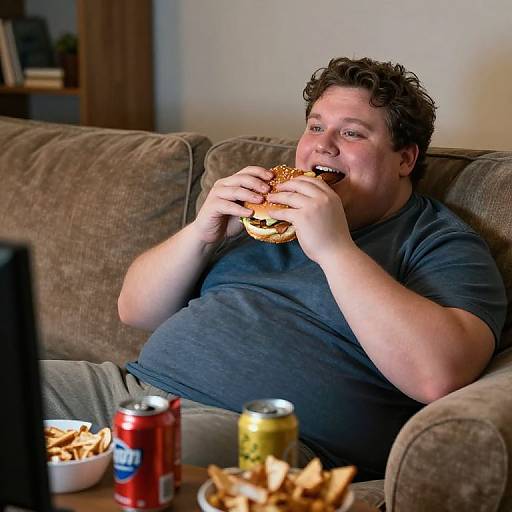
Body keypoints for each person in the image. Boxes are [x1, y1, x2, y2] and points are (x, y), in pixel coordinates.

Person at [43, 57, 507, 481]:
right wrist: (204, 230)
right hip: (132, 390)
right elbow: (134, 310)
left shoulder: (439, 242)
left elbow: (437, 376)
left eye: (351, 133)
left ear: (405, 158)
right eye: (315, 126)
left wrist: (334, 249)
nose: (322, 146)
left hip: (257, 430)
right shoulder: (261, 216)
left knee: (144, 465)